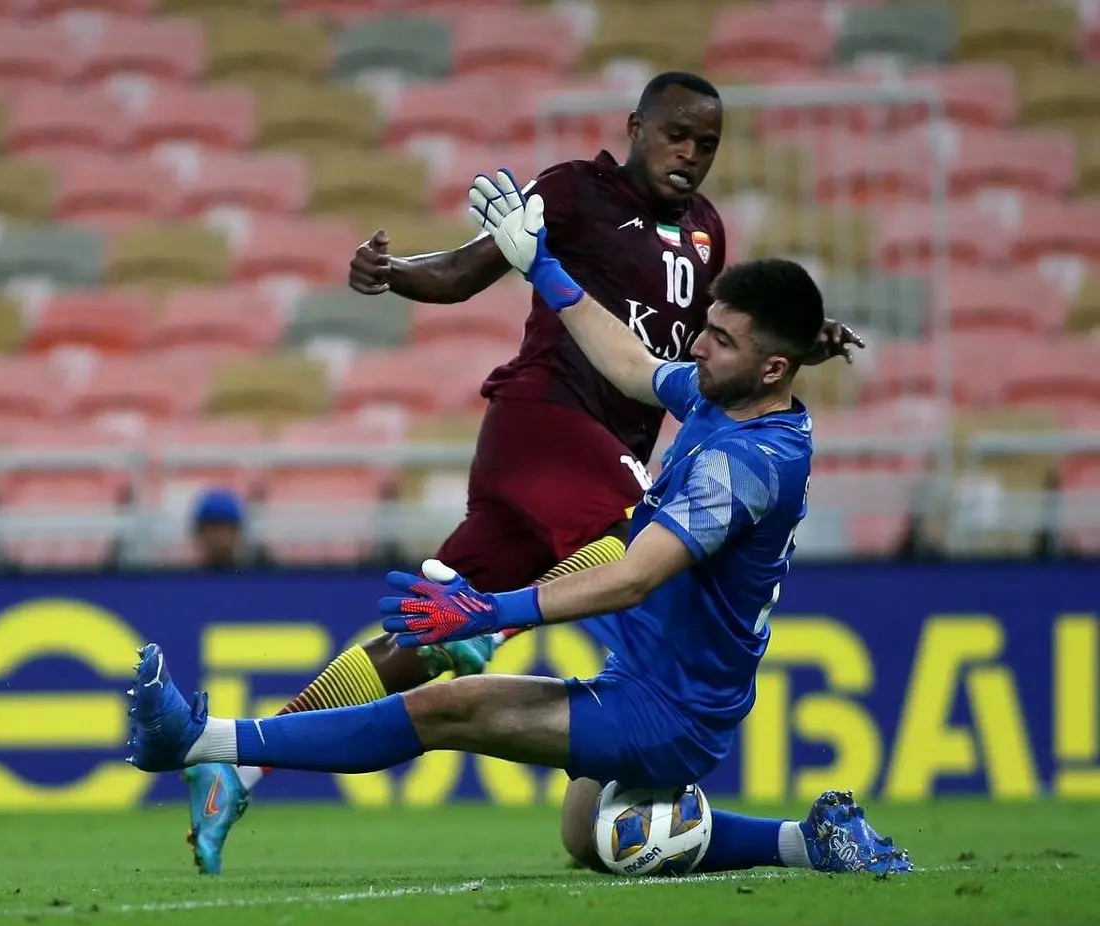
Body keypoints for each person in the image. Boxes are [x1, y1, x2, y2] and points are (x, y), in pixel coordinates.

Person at [129, 170, 911, 877]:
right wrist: (540, 267)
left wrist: (492, 610)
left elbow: (635, 576)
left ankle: (202, 741)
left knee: (447, 705)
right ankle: (808, 840)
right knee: (594, 835)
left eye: (720, 339)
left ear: (772, 368)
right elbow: (633, 364)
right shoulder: (722, 394)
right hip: (650, 683)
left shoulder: (744, 465)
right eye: (705, 326)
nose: (697, 345)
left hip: (668, 711)